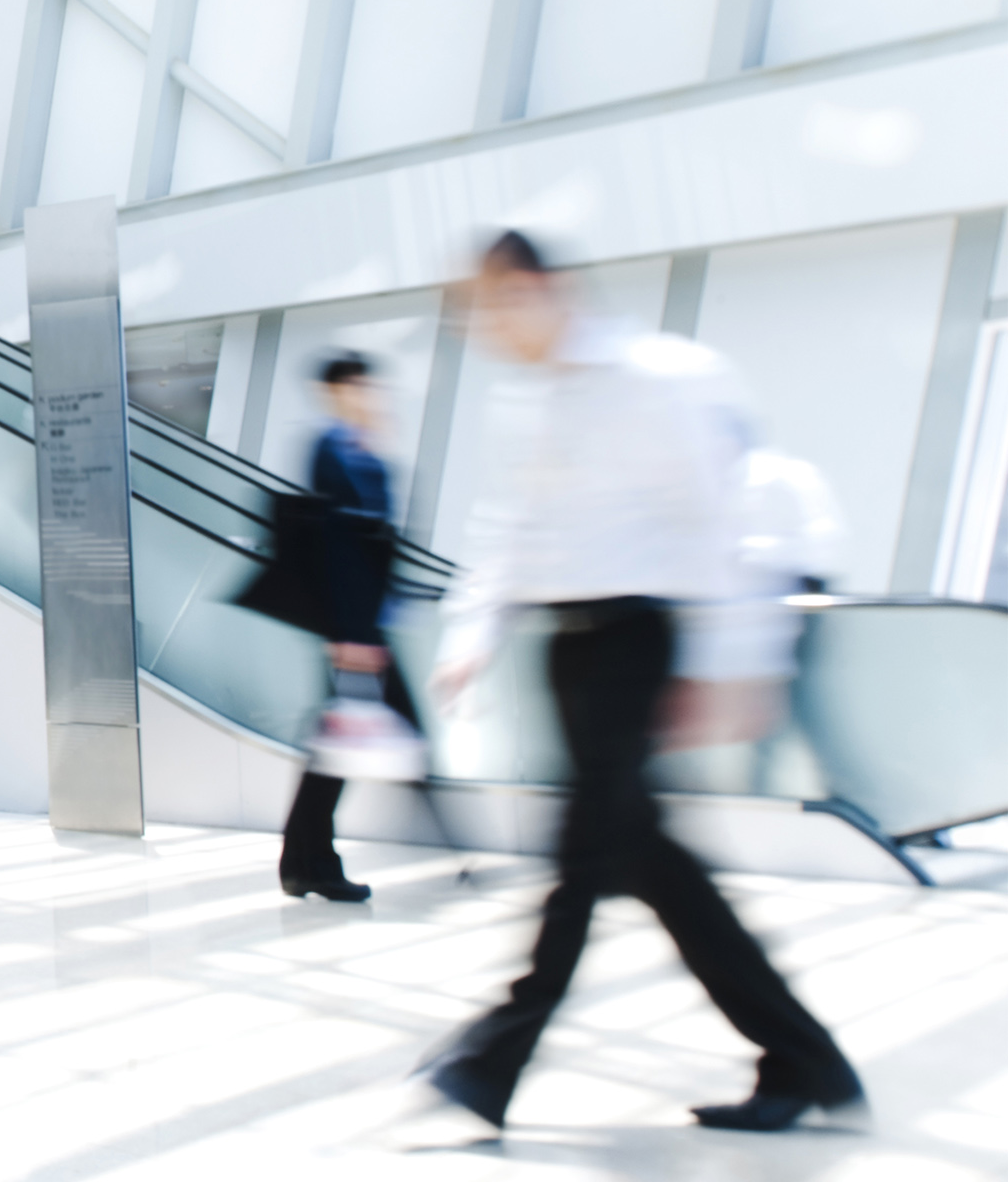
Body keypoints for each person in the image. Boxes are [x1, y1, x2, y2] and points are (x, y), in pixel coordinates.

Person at [414, 230, 865, 1135]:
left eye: (497, 303)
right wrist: (472, 633)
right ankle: (808, 1061)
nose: (489, 328)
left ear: (544, 288)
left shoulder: (661, 377)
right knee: (651, 863)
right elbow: (513, 531)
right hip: (568, 649)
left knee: (581, 859)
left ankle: (489, 1061)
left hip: (636, 641)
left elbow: (719, 524)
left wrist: (737, 667)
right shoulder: (532, 401)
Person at [276, 351, 417, 903]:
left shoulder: (362, 448)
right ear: (335, 391)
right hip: (355, 633)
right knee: (348, 747)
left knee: (336, 749)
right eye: (357, 386)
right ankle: (310, 861)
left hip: (370, 627)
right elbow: (336, 549)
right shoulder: (332, 450)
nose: (367, 395)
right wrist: (349, 634)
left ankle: (306, 861)